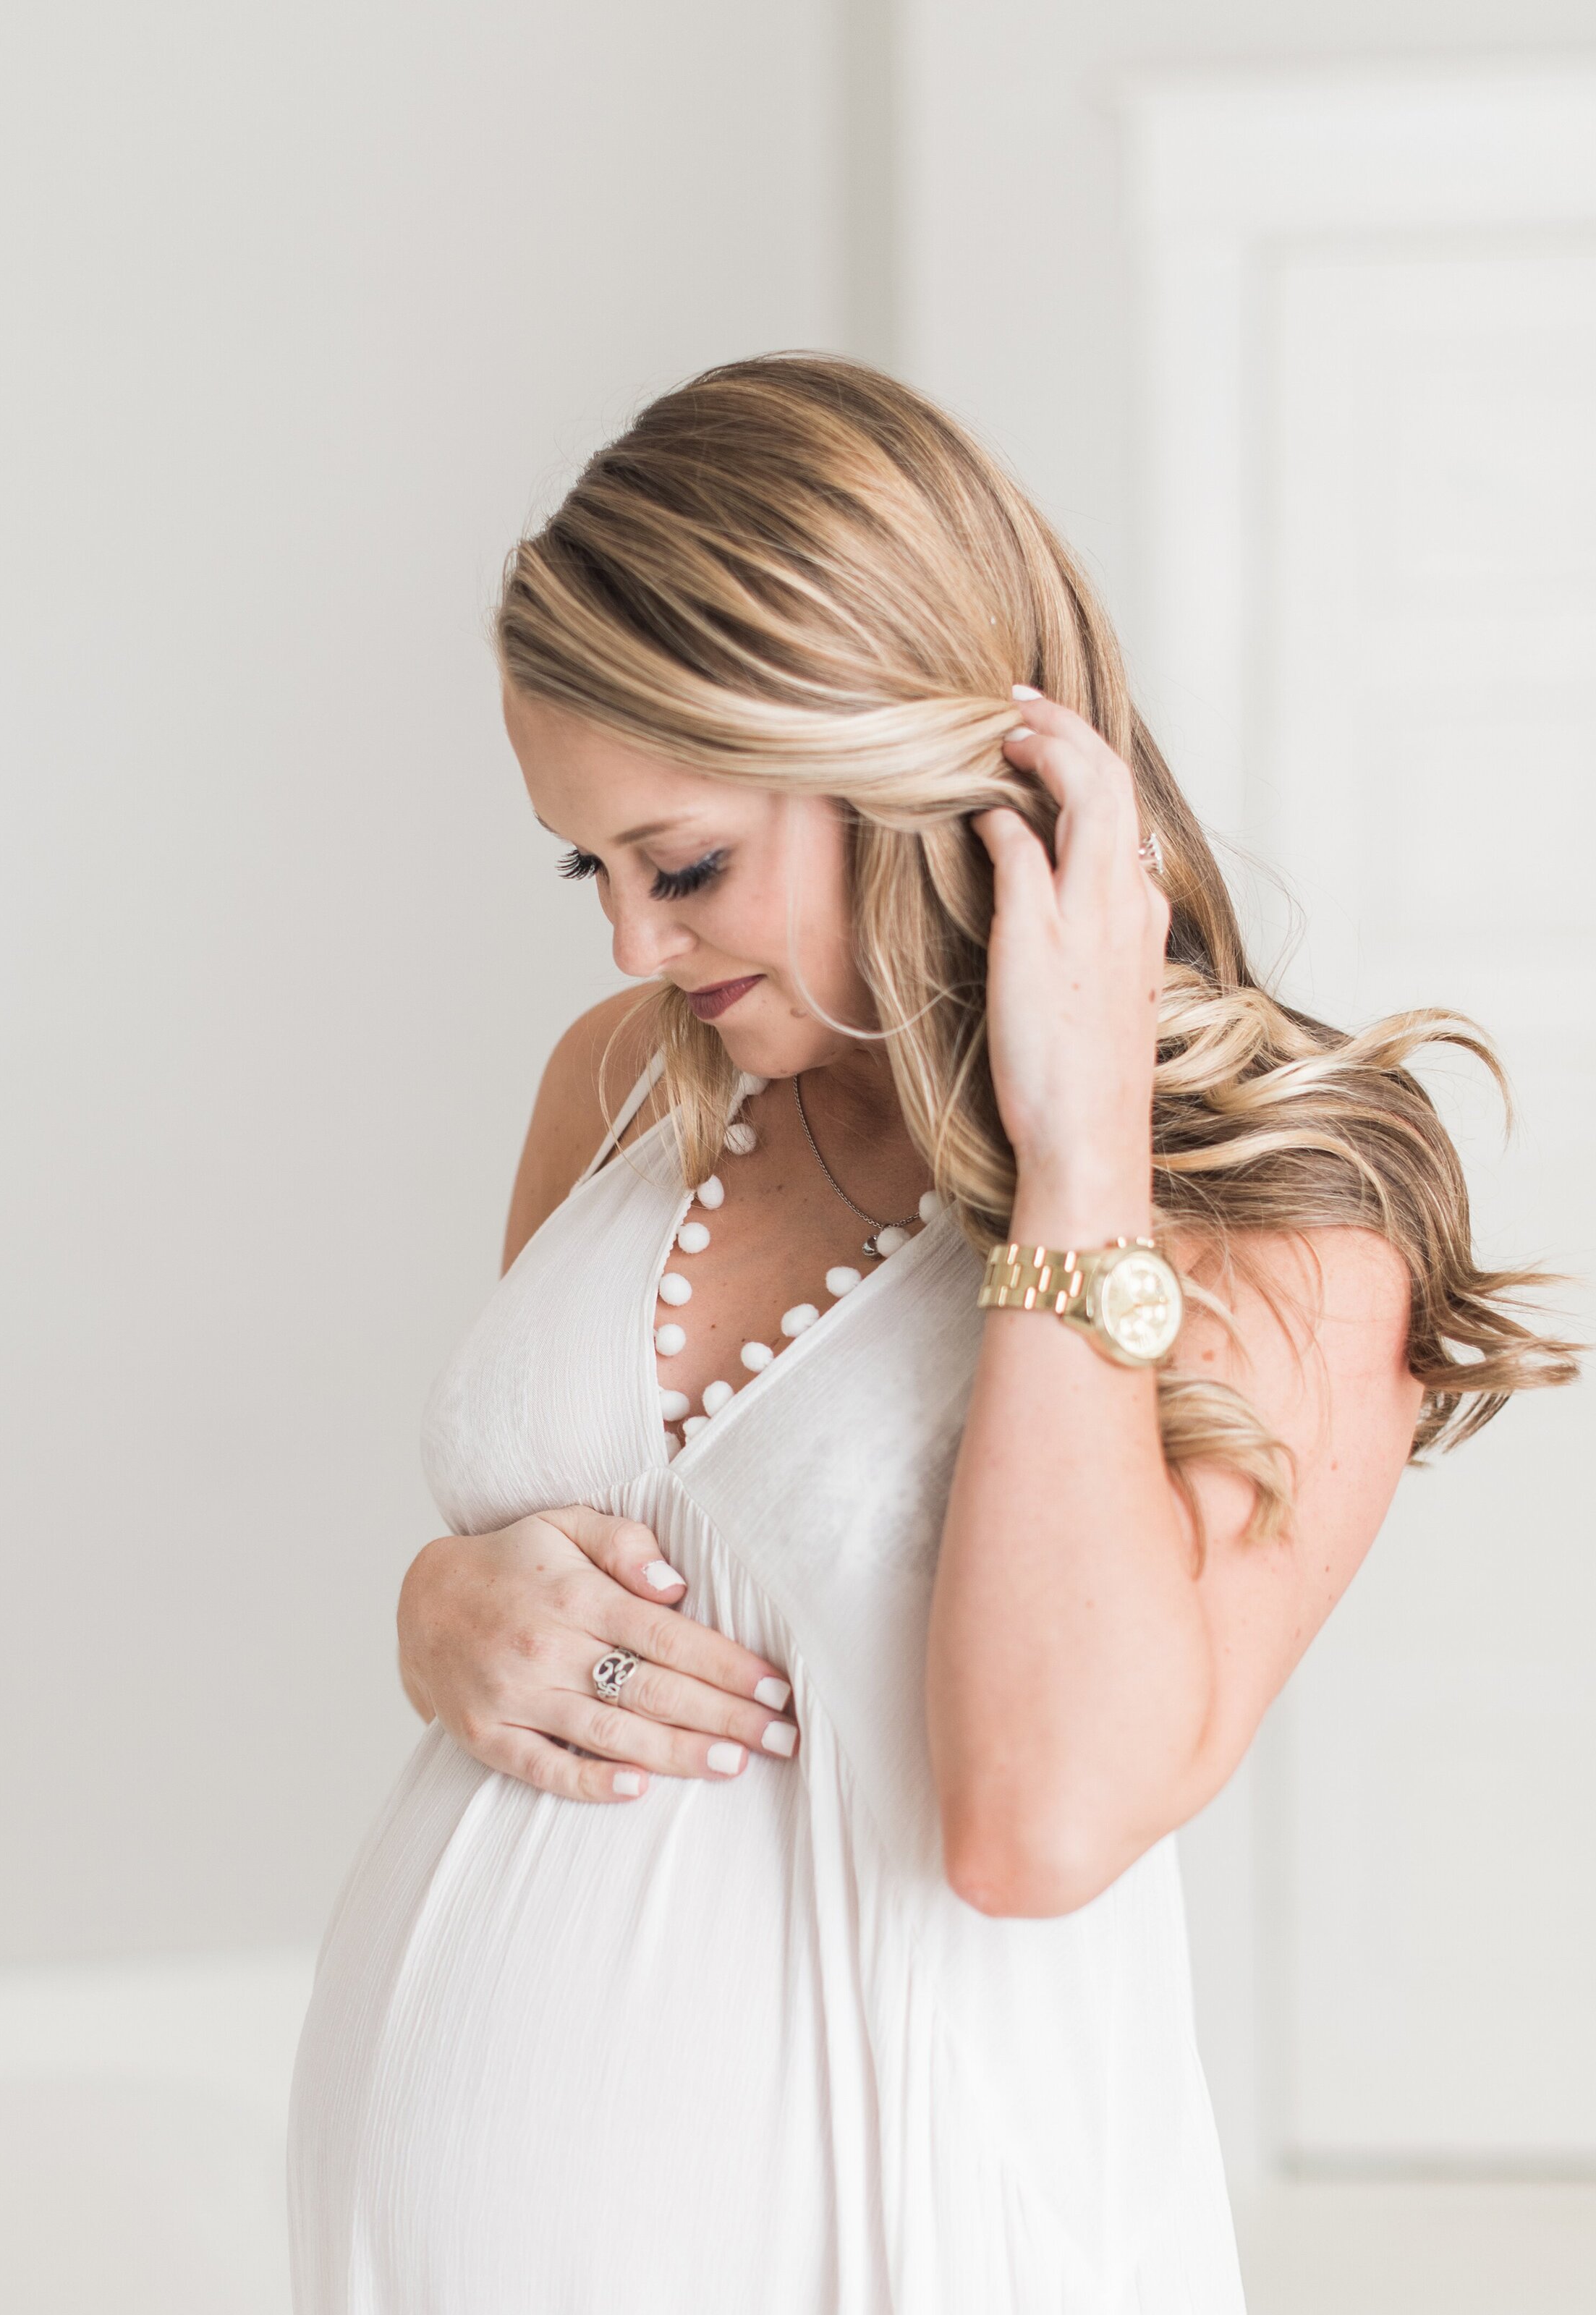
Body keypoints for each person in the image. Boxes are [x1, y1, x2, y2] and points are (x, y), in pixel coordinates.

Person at [286, 355, 1574, 2313]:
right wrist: (438, 1613)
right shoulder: (626, 1085)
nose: (633, 945)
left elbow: (1038, 1820)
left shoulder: (1286, 1216)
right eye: (591, 867)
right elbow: (595, 1588)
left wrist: (1078, 1159)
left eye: (686, 863)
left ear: (917, 762)